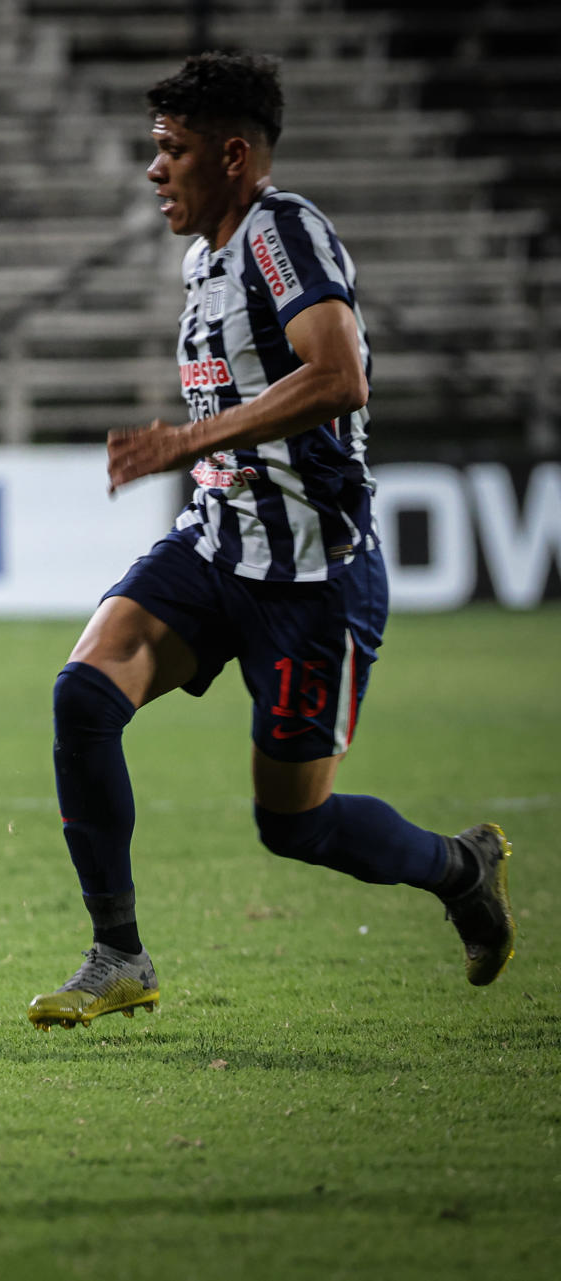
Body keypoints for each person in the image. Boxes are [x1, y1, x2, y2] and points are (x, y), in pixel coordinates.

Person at [29, 53, 515, 1029]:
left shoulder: (283, 232)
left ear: (235, 154)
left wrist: (187, 439)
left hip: (313, 578)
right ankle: (119, 954)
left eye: (173, 150)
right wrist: (200, 458)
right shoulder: (202, 259)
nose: (154, 169)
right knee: (83, 695)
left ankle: (460, 868)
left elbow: (338, 377)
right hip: (218, 546)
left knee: (293, 826)